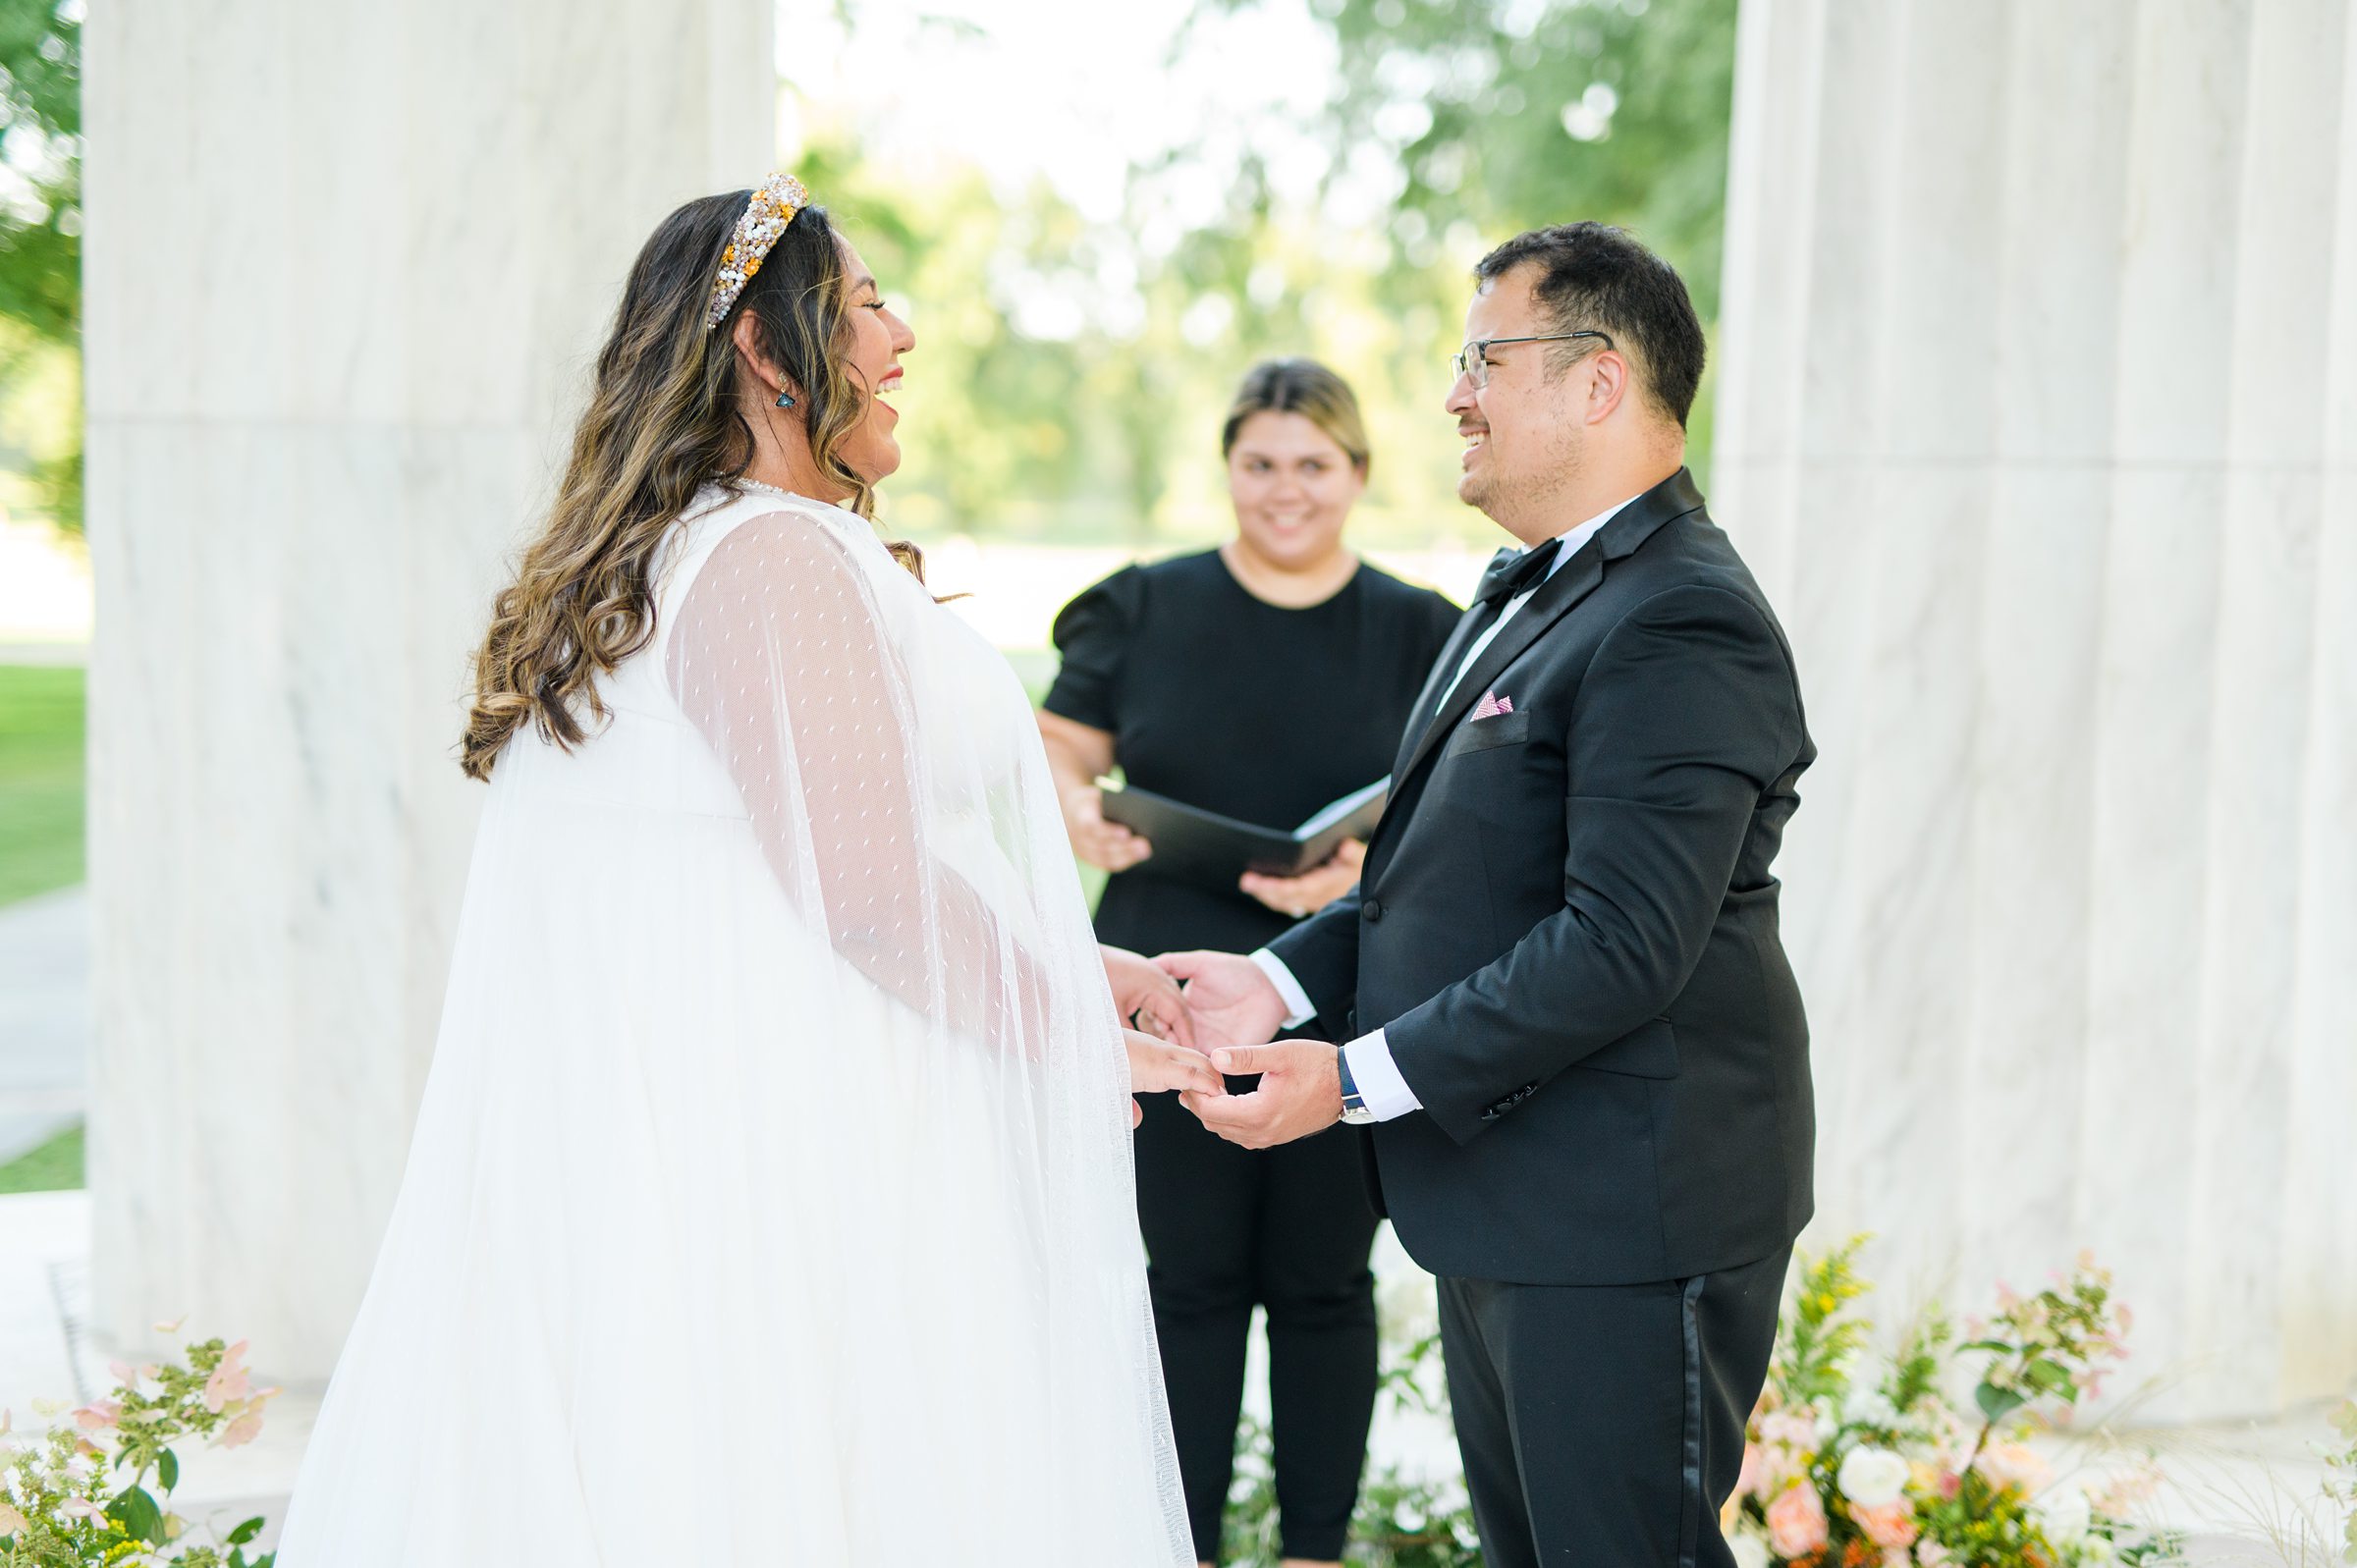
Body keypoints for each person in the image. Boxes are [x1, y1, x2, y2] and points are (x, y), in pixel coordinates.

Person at [274, 174, 1217, 1566]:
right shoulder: (773, 559)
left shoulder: (703, 555)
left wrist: (1073, 967)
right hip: (807, 1184)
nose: (904, 340)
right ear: (770, 356)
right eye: (869, 307)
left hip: (794, 1136)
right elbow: (873, 900)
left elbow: (820, 867)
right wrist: (1076, 1035)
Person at [1162, 223, 1817, 1568]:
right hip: (1509, 1199)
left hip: (1626, 1217)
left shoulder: (1684, 616)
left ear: (1598, 382)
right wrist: (1280, 980)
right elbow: (1453, 878)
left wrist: (1342, 1081)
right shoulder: (1530, 589)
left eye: (1484, 357)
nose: (1455, 392)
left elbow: (1621, 945)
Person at [1038, 358, 1460, 1567]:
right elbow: (1061, 747)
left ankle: (1314, 1551)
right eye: (1260, 462)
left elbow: (1445, 810)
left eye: (1314, 464)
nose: (1286, 490)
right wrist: (1077, 809)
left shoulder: (1422, 628)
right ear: (1227, 467)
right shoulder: (1147, 607)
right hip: (1165, 991)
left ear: (1360, 475)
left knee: (1326, 1283)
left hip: (1339, 984)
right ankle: (1182, 1547)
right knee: (1189, 1281)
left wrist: (1351, 881)